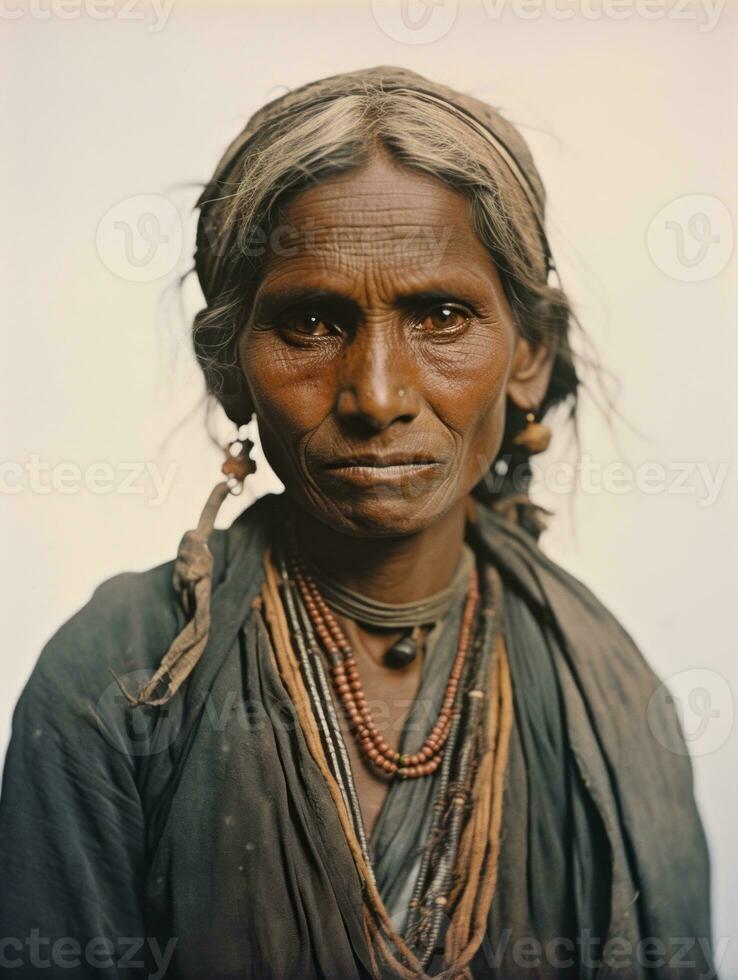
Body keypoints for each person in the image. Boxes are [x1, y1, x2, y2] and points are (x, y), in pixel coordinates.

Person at [0, 66, 717, 980]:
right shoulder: (119, 678)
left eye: (443, 317)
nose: (377, 395)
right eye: (309, 323)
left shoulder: (605, 695)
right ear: (229, 368)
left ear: (528, 354)